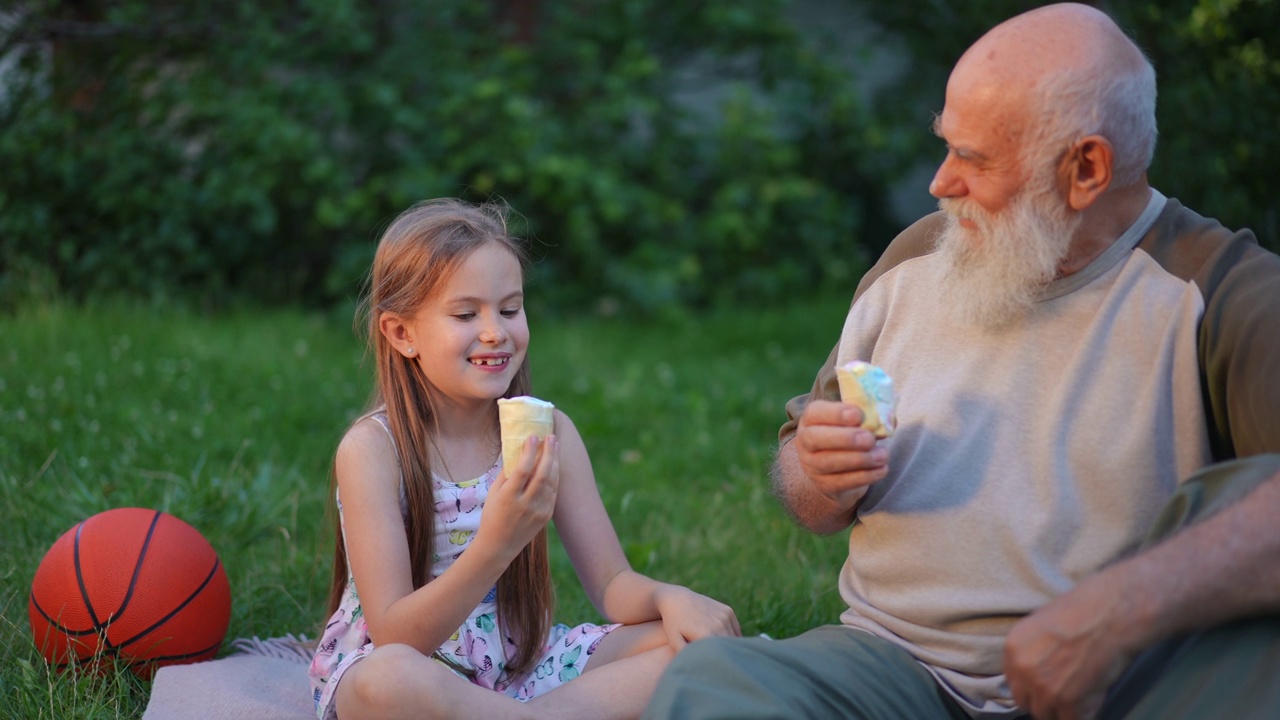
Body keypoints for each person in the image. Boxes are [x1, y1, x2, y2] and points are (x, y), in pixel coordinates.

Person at [642, 4, 1280, 720]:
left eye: (973, 160)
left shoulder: (1224, 294)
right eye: (947, 147)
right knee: (716, 682)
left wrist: (1122, 611)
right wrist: (818, 474)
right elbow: (806, 486)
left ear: (1087, 169)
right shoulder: (919, 257)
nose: (940, 184)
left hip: (1125, 685)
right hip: (896, 669)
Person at [308, 198, 741, 720]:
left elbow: (611, 585)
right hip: (414, 669)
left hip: (519, 667)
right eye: (466, 314)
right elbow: (396, 635)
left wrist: (671, 598)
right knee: (384, 680)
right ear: (402, 334)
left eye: (509, 309)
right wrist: (497, 542)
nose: (496, 331)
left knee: (692, 648)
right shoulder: (373, 450)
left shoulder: (551, 433)